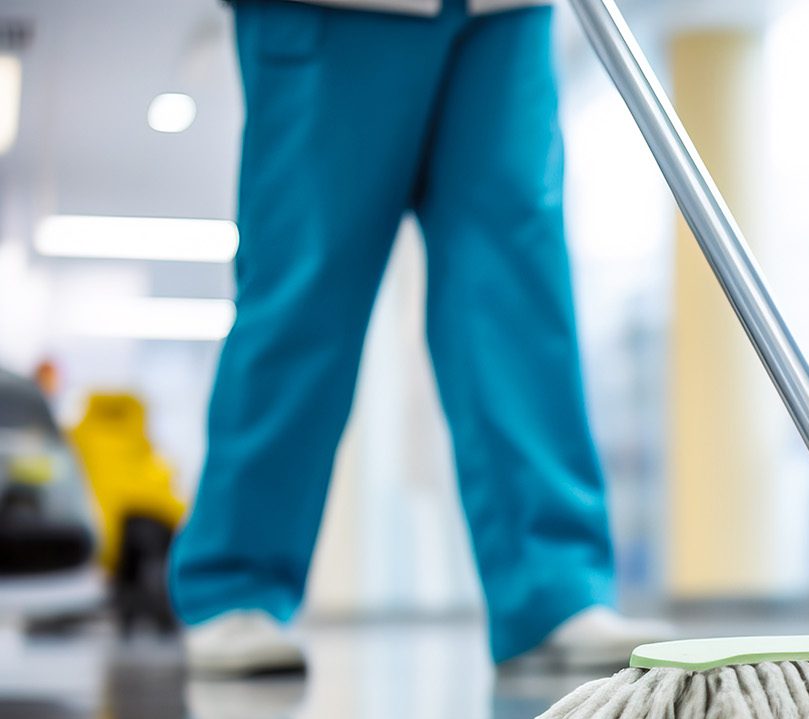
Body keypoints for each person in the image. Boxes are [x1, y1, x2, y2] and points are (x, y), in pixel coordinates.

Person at [171, 0, 672, 676]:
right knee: (305, 285)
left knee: (516, 292)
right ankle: (236, 582)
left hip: (504, 12)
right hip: (333, 12)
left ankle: (552, 589)